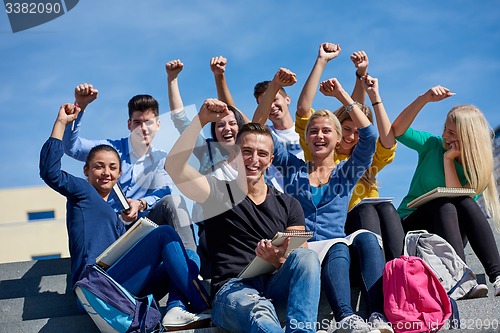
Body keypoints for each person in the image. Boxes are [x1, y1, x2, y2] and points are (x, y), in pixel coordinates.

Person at [40, 103, 211, 330]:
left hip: (123, 285)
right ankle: (204, 304)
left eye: (112, 168)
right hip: (96, 287)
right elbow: (50, 171)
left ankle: (175, 308)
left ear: (119, 173)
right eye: (99, 167)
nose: (106, 173)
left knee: (186, 256)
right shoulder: (82, 192)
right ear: (86, 171)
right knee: (165, 235)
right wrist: (61, 123)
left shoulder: (115, 216)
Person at [165, 98, 321, 333]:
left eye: (261, 154)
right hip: (234, 293)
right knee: (257, 312)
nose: (254, 160)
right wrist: (200, 120)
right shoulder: (216, 191)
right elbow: (174, 166)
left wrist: (276, 259)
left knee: (307, 259)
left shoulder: (289, 204)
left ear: (271, 160)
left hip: (275, 289)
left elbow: (301, 258)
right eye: (246, 152)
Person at [257, 67, 393, 332]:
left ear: (338, 137)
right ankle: (346, 316)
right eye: (313, 131)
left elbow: (370, 137)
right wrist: (273, 87)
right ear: (306, 138)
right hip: (303, 254)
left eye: (326, 131)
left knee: (362, 237)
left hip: (336, 257)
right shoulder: (292, 167)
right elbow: (259, 128)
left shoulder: (347, 172)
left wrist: (343, 95)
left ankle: (376, 314)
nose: (319, 136)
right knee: (338, 246)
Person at [294, 42, 404, 261]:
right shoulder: (322, 152)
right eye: (345, 129)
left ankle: (399, 268)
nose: (351, 136)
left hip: (373, 221)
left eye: (356, 133)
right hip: (339, 228)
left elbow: (384, 140)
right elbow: (304, 110)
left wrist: (374, 96)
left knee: (387, 209)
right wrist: (322, 62)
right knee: (366, 212)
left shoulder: (365, 158)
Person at [391, 85, 500, 297]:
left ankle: (496, 275)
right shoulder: (432, 145)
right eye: (445, 129)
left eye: (452, 133)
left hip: (447, 228)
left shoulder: (476, 169)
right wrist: (424, 98)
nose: (444, 136)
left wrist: (449, 160)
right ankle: (460, 277)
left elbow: (456, 197)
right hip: (410, 226)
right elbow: (398, 131)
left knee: (464, 202)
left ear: (469, 138)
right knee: (445, 203)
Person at [62, 84, 197, 253]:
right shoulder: (108, 150)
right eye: (137, 122)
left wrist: (140, 204)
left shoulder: (161, 158)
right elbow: (71, 147)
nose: (143, 128)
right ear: (129, 125)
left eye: (148, 122)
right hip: (109, 227)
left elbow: (163, 191)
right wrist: (80, 107)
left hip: (144, 227)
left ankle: (190, 264)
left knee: (174, 201)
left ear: (158, 125)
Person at [166, 58, 249, 279]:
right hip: (212, 230)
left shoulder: (252, 157)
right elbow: (180, 119)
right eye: (220, 124)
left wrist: (220, 76)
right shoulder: (208, 151)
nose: (227, 128)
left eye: (232, 123)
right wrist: (172, 79)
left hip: (246, 228)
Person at [253, 64, 304, 192]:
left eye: (274, 99)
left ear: (287, 99)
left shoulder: (308, 130)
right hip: (278, 198)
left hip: (308, 193)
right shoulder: (267, 134)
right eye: (265, 103)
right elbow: (256, 126)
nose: (271, 106)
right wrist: (275, 84)